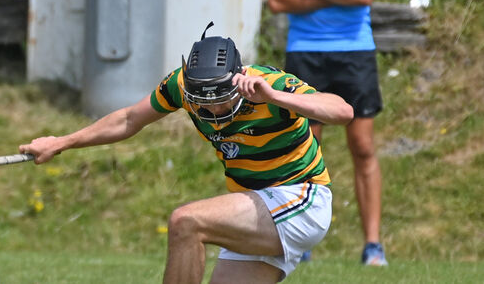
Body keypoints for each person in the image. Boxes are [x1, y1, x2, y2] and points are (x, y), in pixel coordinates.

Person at [19, 23, 354, 283]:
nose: (213, 111)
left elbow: (342, 111)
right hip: (255, 207)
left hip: (301, 198)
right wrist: (62, 142)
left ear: (237, 80)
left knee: (187, 221)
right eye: (202, 103)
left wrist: (274, 97)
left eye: (221, 100)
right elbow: (129, 119)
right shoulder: (181, 85)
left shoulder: (267, 85)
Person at [266, 0, 387, 266]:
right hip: (306, 51)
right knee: (305, 148)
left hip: (355, 49)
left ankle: (373, 245)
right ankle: (300, 241)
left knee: (363, 147)